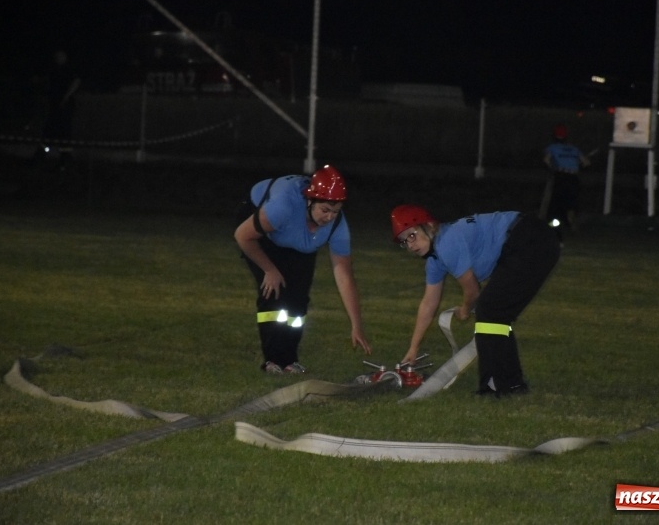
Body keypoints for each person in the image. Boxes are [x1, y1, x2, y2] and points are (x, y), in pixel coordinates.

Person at [391, 204, 560, 397]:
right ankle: (511, 385)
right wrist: (413, 348)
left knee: (489, 310)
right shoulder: (435, 259)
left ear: (429, 226)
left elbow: (472, 291)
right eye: (404, 242)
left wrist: (464, 309)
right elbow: (428, 304)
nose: (410, 245)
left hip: (529, 239)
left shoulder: (446, 243)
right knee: (495, 314)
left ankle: (496, 386)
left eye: (411, 235)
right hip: (532, 237)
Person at [234, 165, 372, 374]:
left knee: (297, 300)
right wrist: (269, 270)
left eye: (335, 211)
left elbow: (343, 274)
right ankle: (272, 360)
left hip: (298, 239)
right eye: (325, 210)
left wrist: (356, 324)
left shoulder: (336, 225)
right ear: (309, 201)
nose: (329, 217)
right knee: (275, 293)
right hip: (260, 232)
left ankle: (289, 359)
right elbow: (243, 236)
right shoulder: (283, 207)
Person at [541, 124, 591, 238]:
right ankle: (571, 222)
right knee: (571, 201)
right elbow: (586, 162)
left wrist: (553, 169)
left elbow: (546, 160)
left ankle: (554, 224)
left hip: (561, 176)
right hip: (573, 178)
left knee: (557, 201)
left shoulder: (552, 147)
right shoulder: (574, 149)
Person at [41, 50, 82, 168]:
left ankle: (65, 157)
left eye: (60, 56)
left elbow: (76, 81)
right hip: (54, 104)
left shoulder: (69, 69)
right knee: (49, 128)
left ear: (65, 57)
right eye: (56, 56)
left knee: (64, 130)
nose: (57, 58)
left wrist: (66, 97)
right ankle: (42, 154)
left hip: (64, 104)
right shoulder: (54, 70)